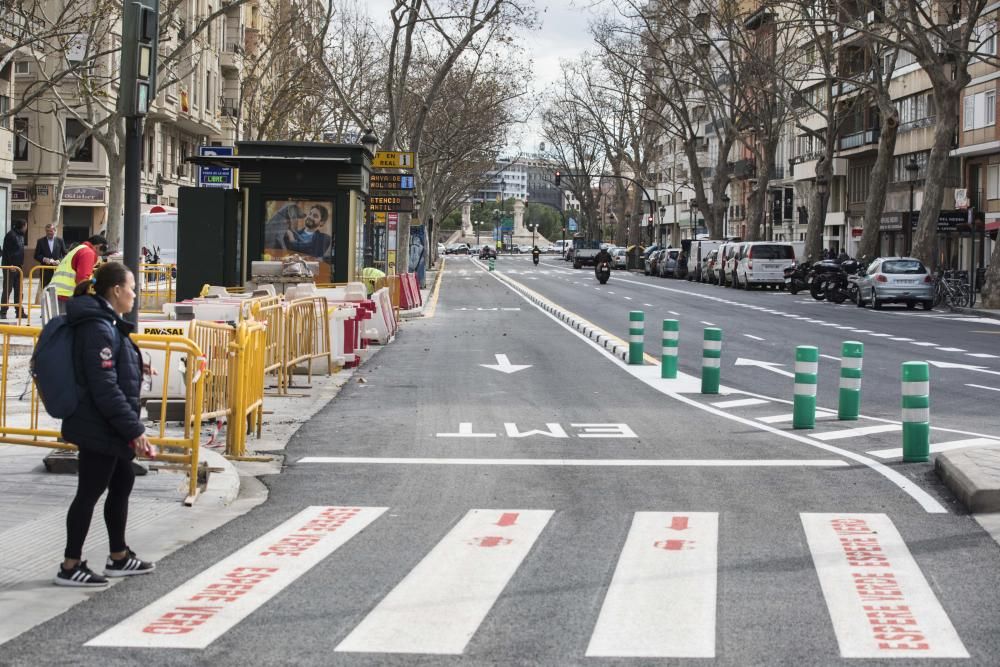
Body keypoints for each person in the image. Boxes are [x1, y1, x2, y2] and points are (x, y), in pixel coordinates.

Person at [55, 262, 156, 587]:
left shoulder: (105, 321)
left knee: (122, 480)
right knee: (89, 491)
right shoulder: (98, 326)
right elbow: (104, 386)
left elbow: (112, 370)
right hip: (98, 425)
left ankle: (119, 556)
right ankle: (71, 566)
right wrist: (135, 430)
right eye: (132, 287)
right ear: (116, 290)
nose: (135, 294)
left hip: (106, 423)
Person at [50, 234, 108, 310]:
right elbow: (82, 280)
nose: (100, 255)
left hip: (58, 294)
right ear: (98, 246)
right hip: (66, 296)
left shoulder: (78, 249)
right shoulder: (88, 252)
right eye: (102, 250)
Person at [1, 220, 27, 318]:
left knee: (19, 290)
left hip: (18, 266)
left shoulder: (21, 235)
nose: (26, 228)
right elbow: (8, 252)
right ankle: (3, 311)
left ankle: (19, 311)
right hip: (10, 266)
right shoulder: (11, 235)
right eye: (26, 226)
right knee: (7, 289)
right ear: (23, 226)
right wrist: (11, 264)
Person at [34, 223, 67, 288]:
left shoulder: (60, 240)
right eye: (47, 231)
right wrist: (44, 259)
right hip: (45, 271)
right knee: (45, 290)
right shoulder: (40, 241)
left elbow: (65, 254)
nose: (49, 233)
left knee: (56, 289)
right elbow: (36, 255)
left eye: (51, 231)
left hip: (57, 270)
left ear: (55, 231)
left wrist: (59, 260)